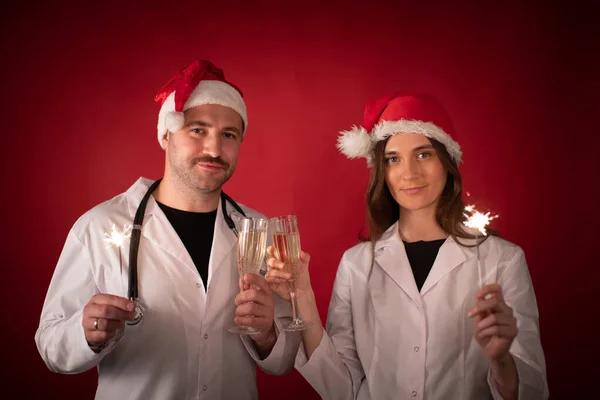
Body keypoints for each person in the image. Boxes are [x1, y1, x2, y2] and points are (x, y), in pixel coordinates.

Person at [35, 59, 300, 399]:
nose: (214, 149)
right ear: (165, 134)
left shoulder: (257, 231)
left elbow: (284, 359)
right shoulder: (100, 226)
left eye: (228, 135)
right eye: (197, 130)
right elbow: (50, 347)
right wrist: (86, 333)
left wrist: (267, 335)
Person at [266, 93, 548, 399]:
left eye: (424, 154)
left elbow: (533, 392)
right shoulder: (356, 265)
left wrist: (502, 361)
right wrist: (303, 297)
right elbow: (342, 388)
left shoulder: (502, 260)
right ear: (382, 172)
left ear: (447, 162)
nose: (409, 172)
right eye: (393, 159)